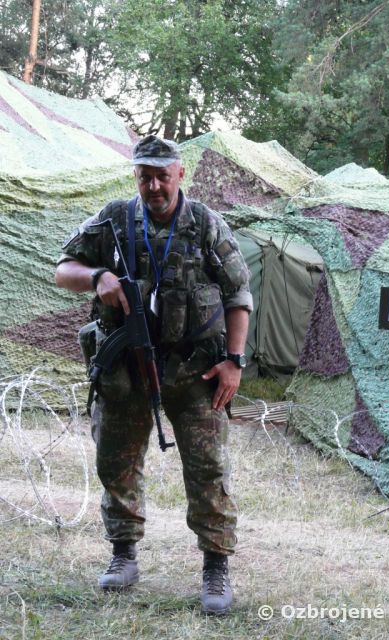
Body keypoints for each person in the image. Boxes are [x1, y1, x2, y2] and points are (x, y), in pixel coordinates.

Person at [55, 135, 252, 615]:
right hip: (126, 369)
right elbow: (63, 269)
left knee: (208, 469)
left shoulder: (205, 224)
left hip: (196, 371)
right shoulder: (115, 219)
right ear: (136, 177)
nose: (155, 186)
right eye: (145, 177)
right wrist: (97, 277)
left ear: (180, 174)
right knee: (116, 462)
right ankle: (123, 554)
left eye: (163, 176)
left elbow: (239, 294)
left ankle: (215, 567)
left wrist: (234, 361)